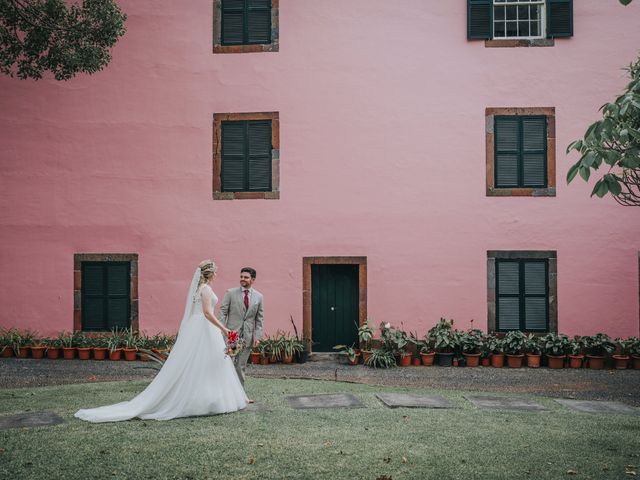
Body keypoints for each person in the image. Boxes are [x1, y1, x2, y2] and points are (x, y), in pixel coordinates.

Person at [74, 260, 248, 423]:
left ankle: (207, 398)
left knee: (201, 363)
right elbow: (208, 313)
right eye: (216, 272)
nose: (217, 275)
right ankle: (206, 400)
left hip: (198, 327)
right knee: (206, 362)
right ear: (211, 274)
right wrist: (224, 329)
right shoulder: (206, 290)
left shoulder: (198, 289)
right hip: (204, 327)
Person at [218, 267, 264, 395]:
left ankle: (239, 394)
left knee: (240, 366)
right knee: (228, 363)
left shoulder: (259, 297)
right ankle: (224, 393)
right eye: (241, 277)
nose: (242, 279)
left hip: (247, 337)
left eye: (246, 277)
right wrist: (221, 330)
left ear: (253, 280)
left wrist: (258, 336)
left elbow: (259, 319)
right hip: (231, 335)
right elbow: (222, 312)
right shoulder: (230, 293)